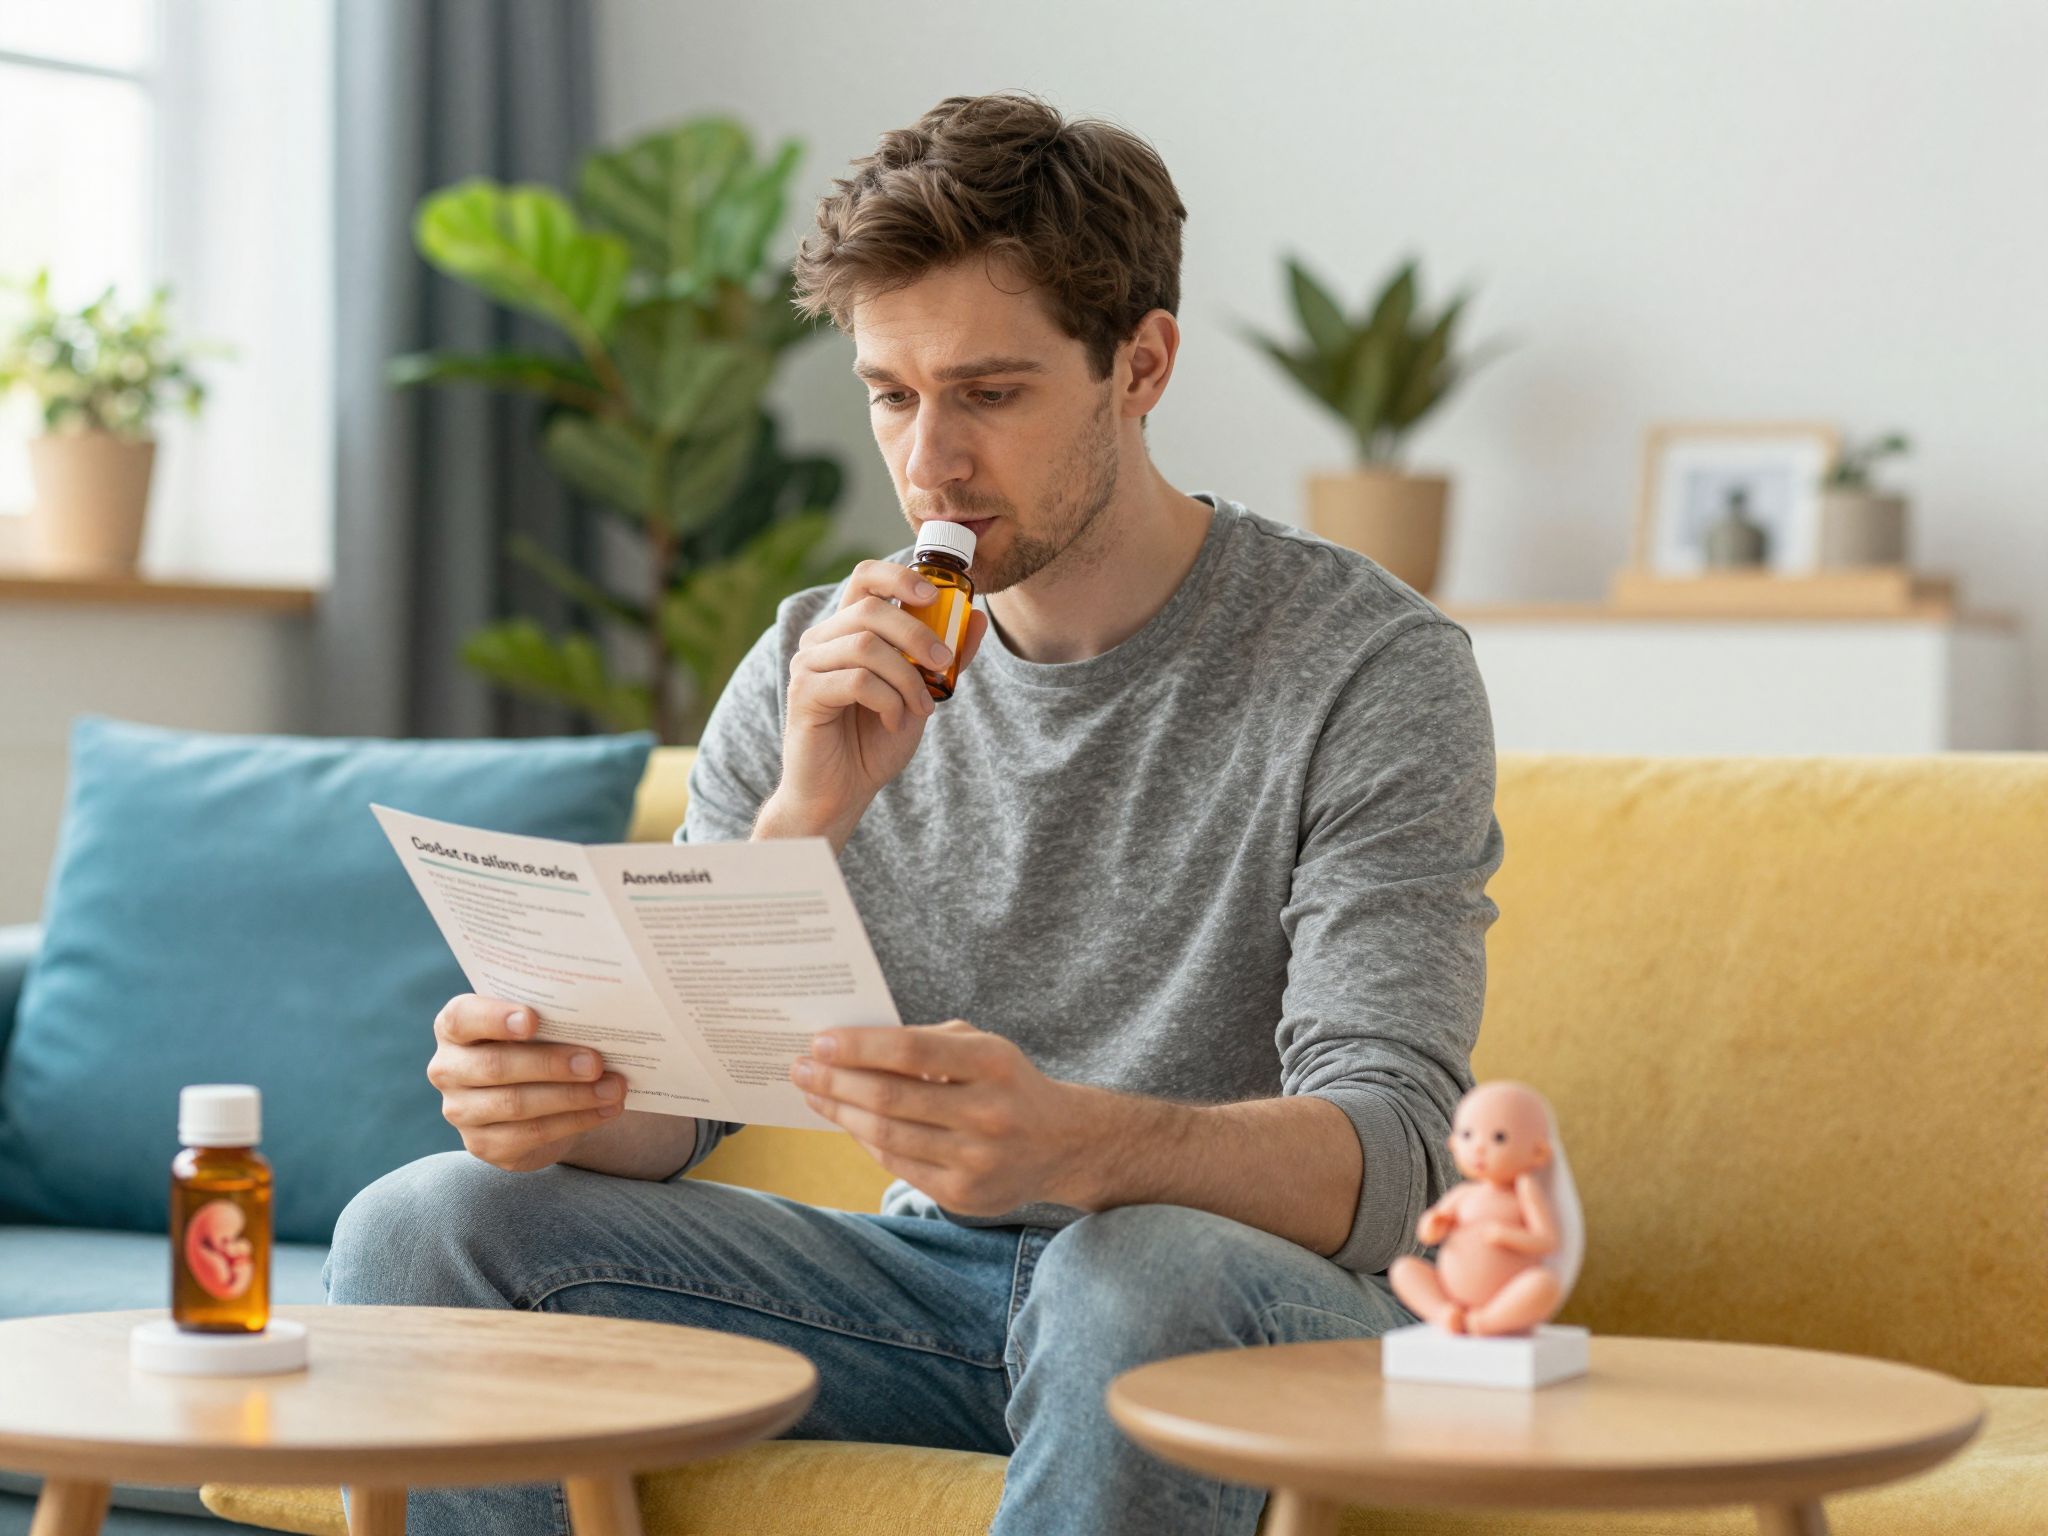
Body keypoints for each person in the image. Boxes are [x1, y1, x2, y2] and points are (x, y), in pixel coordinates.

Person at [326, 89, 1506, 1536]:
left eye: (989, 394)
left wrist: (1079, 1144)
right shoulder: (817, 655)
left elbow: (1394, 1158)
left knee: (1129, 1272)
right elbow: (678, 1127)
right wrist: (787, 838)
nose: (930, 463)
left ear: (1141, 365)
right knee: (427, 1226)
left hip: (1249, 1301)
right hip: (932, 1294)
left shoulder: (1370, 667)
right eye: (893, 393)